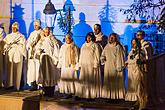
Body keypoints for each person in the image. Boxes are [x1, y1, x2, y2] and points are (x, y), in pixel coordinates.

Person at [35, 27, 60, 96]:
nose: (46, 33)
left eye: (48, 32)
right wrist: (39, 51)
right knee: (44, 74)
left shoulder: (53, 40)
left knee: (50, 74)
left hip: (50, 60)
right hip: (43, 60)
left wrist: (55, 59)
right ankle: (45, 90)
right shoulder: (41, 40)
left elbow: (56, 49)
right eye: (45, 32)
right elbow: (37, 49)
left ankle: (51, 91)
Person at [76, 32, 101, 99]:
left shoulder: (95, 45)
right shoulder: (83, 45)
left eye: (90, 37)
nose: (88, 38)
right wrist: (80, 64)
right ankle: (82, 94)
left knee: (90, 80)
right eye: (87, 37)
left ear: (92, 38)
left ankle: (90, 95)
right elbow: (81, 55)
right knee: (83, 79)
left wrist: (96, 64)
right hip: (84, 66)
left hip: (91, 65)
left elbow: (97, 56)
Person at [101, 33, 125, 100]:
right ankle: (109, 96)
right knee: (108, 81)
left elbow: (120, 58)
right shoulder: (107, 46)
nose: (111, 39)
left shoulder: (118, 47)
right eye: (110, 37)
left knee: (114, 81)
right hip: (108, 66)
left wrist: (118, 67)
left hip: (114, 67)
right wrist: (103, 58)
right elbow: (103, 55)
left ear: (116, 39)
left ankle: (115, 97)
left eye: (113, 38)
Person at [3, 22, 26, 90]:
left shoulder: (21, 36)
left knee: (17, 70)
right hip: (10, 54)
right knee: (9, 70)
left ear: (17, 28)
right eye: (13, 28)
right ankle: (9, 84)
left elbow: (23, 45)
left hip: (17, 54)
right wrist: (7, 46)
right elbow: (4, 44)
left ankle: (17, 85)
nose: (13, 29)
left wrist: (21, 52)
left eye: (15, 28)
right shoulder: (8, 36)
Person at [57, 33, 79, 98]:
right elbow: (60, 56)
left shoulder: (74, 47)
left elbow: (77, 57)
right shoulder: (63, 47)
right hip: (65, 66)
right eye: (66, 38)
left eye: (68, 38)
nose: (67, 40)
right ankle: (67, 92)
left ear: (71, 39)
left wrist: (77, 65)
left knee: (72, 78)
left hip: (72, 66)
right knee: (66, 79)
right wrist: (60, 65)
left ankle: (73, 92)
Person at [125, 38, 146, 105]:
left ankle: (137, 98)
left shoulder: (141, 51)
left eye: (134, 43)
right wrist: (126, 62)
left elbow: (141, 59)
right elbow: (129, 59)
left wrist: (138, 61)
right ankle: (131, 98)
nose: (133, 44)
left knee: (137, 83)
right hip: (131, 69)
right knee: (131, 84)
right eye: (132, 43)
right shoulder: (131, 51)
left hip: (136, 69)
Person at [26, 20, 42, 90]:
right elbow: (28, 42)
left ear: (39, 25)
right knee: (32, 69)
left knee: (38, 69)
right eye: (34, 25)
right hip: (32, 54)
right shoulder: (32, 33)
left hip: (37, 54)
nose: (35, 26)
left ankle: (40, 85)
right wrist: (29, 46)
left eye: (36, 25)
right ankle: (33, 85)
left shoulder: (42, 33)